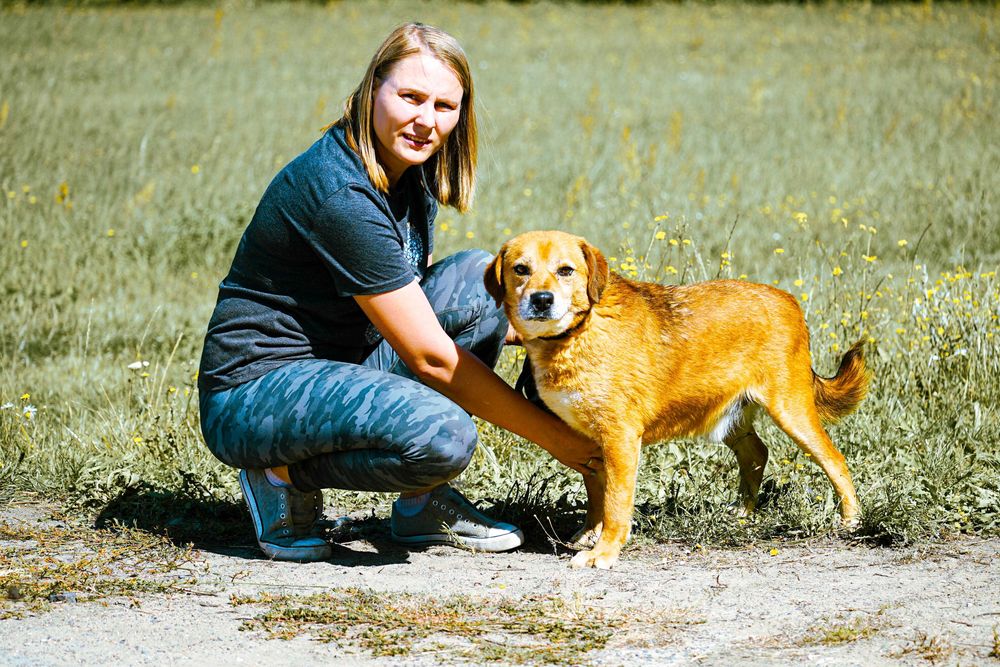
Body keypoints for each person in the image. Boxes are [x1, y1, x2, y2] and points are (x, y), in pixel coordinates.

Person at [197, 23, 602, 562]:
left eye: (444, 105)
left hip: (340, 363)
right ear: (372, 91)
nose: (425, 120)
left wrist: (568, 342)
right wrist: (565, 442)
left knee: (479, 281)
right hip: (253, 394)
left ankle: (418, 507)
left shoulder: (407, 170)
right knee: (444, 438)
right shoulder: (341, 192)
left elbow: (421, 296)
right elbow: (430, 355)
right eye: (410, 97)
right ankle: (279, 475)